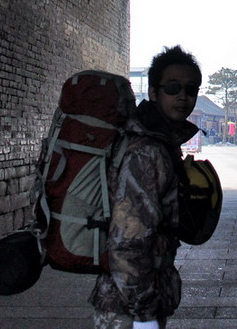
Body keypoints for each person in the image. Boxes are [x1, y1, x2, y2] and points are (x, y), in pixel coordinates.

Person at [89, 45, 201, 329]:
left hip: (134, 299)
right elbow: (128, 241)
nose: (183, 96)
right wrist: (144, 315)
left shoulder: (160, 142)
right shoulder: (148, 151)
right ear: (153, 92)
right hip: (127, 308)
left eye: (191, 89)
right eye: (173, 87)